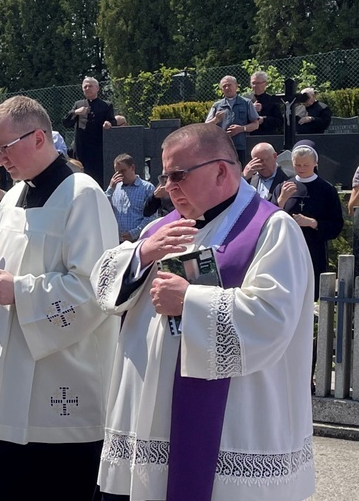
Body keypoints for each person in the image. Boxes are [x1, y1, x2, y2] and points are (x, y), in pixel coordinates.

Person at [90, 123, 316, 501]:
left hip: (231, 429)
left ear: (221, 171)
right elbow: (101, 287)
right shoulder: (162, 228)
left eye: (178, 175)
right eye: (164, 176)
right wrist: (142, 254)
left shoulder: (271, 230)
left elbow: (272, 318)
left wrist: (190, 302)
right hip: (148, 422)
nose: (168, 186)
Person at [0, 96, 119, 500]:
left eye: (4, 148)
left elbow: (95, 288)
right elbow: (1, 273)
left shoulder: (83, 195)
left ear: (38, 137)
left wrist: (22, 291)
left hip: (58, 380)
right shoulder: (11, 198)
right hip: (7, 383)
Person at [272, 140, 344, 300]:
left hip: (313, 249)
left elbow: (336, 225)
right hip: (286, 249)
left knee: (311, 294)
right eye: (298, 165)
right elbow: (267, 220)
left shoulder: (326, 190)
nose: (302, 169)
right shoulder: (282, 187)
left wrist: (313, 223)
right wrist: (281, 201)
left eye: (306, 165)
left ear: (315, 163)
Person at [63, 77, 117, 186]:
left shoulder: (106, 105)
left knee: (97, 178)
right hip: (81, 149)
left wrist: (109, 124)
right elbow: (66, 123)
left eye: (90, 86)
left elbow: (113, 121)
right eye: (85, 87)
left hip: (97, 149)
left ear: (97, 88)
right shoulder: (78, 104)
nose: (87, 88)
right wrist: (75, 112)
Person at [205, 75, 260, 165]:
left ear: (236, 86)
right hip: (221, 147)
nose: (227, 88)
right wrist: (216, 119)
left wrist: (242, 129)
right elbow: (206, 127)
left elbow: (255, 124)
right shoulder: (217, 105)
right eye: (224, 86)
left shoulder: (246, 103)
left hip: (241, 147)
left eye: (229, 85)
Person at [105, 154, 157, 242]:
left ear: (132, 168)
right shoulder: (114, 188)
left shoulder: (147, 188)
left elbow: (151, 217)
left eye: (123, 171)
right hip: (117, 241)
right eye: (117, 172)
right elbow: (103, 208)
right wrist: (110, 189)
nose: (120, 175)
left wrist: (134, 233)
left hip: (139, 240)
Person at [247, 71, 283, 136]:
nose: (255, 86)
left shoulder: (272, 100)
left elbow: (279, 121)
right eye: (253, 83)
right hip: (249, 136)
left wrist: (263, 120)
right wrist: (251, 109)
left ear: (265, 83)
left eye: (258, 83)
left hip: (267, 135)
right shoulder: (246, 100)